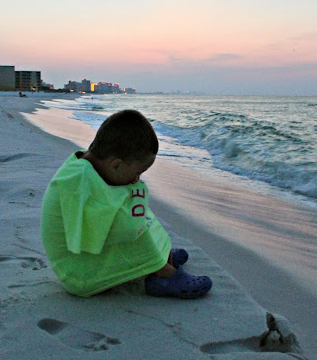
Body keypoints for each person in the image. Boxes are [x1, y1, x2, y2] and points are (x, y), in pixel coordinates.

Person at [40, 109, 212, 299]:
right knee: (130, 219)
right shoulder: (79, 182)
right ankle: (161, 272)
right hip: (79, 271)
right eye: (138, 172)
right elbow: (122, 229)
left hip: (86, 255)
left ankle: (159, 255)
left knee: (136, 206)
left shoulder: (90, 166)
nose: (137, 178)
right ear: (116, 165)